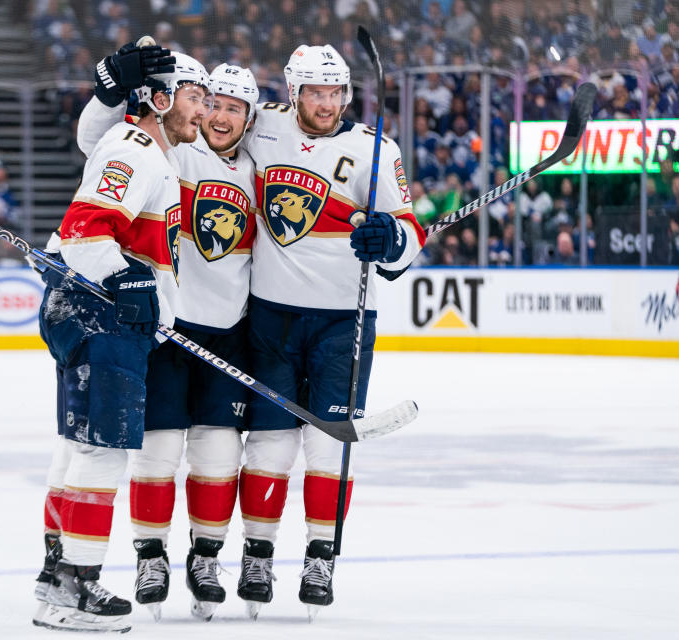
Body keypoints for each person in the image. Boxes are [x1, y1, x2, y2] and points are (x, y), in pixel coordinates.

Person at [234, 43, 424, 619]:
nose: (327, 103)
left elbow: (410, 230)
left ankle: (321, 556)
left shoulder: (375, 148)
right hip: (270, 314)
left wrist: (389, 240)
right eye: (315, 92)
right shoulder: (260, 128)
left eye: (336, 92)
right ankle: (258, 554)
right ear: (294, 92)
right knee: (268, 440)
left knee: (329, 443)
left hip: (344, 322)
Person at [30, 45, 211, 634]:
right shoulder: (139, 154)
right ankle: (74, 590)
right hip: (101, 318)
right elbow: (82, 236)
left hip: (94, 315)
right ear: (159, 100)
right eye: (192, 97)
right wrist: (129, 278)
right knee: (100, 450)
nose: (202, 111)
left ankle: (58, 578)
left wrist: (143, 287)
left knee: (79, 446)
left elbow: (95, 139)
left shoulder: (142, 147)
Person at [75, 57, 259, 622]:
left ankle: (205, 557)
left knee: (219, 452)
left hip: (226, 328)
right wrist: (111, 89)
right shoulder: (172, 148)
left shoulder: (257, 162)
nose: (215, 114)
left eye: (229, 106)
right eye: (207, 101)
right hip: (165, 326)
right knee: (151, 450)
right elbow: (97, 139)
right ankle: (148, 555)